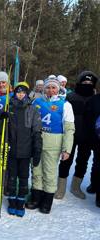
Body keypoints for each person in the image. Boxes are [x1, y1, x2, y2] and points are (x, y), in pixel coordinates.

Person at [27, 76, 75, 214]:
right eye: (48, 87)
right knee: (36, 170)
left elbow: (69, 129)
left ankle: (47, 202)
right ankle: (36, 198)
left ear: (58, 89)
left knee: (49, 173)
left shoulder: (65, 104)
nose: (50, 90)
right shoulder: (37, 101)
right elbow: (28, 122)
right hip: (36, 142)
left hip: (53, 144)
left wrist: (67, 149)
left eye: (53, 87)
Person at [0, 82, 42, 217]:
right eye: (18, 92)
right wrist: (2, 118)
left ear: (27, 94)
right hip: (11, 150)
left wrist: (37, 149)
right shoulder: (8, 107)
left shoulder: (32, 109)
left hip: (26, 150)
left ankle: (21, 201)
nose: (20, 94)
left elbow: (36, 130)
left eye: (23, 92)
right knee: (11, 177)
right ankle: (12, 200)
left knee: (23, 177)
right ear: (14, 93)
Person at [55, 71, 98, 200]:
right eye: (85, 82)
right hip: (71, 135)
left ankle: (75, 187)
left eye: (90, 83)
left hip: (88, 136)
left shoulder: (95, 98)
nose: (87, 84)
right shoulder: (71, 97)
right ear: (80, 82)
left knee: (83, 161)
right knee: (66, 160)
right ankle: (60, 188)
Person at [84, 73, 100, 208]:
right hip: (97, 138)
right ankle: (94, 184)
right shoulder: (94, 100)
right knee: (97, 163)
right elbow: (88, 118)